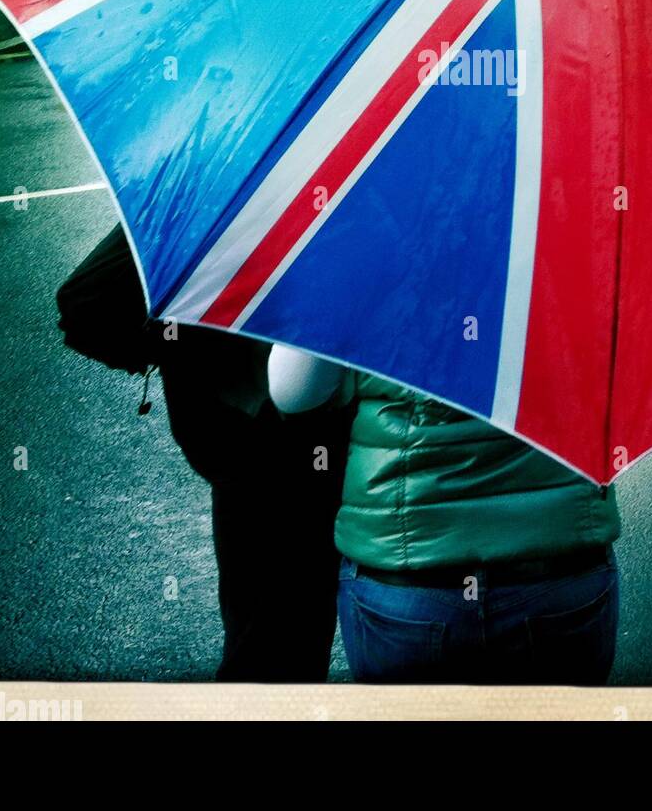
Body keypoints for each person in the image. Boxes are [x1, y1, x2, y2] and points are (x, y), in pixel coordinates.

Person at [56, 225, 352, 682]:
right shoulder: (248, 195)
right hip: (287, 453)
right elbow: (87, 303)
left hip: (248, 447)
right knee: (281, 636)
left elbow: (87, 303)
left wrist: (193, 358)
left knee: (270, 630)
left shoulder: (212, 184)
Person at [267, 346, 621, 686]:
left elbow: (294, 391)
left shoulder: (362, 280)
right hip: (560, 562)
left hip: (409, 573)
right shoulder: (583, 280)